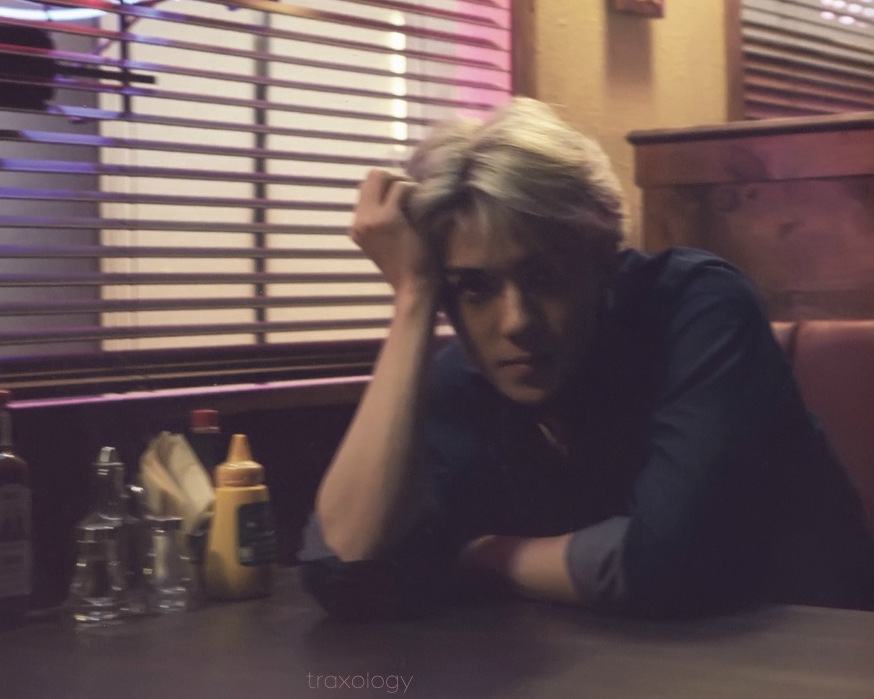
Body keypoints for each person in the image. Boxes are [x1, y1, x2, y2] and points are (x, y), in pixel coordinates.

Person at [299, 98, 874, 619]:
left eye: (545, 277)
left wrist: (479, 556)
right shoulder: (465, 375)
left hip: (822, 653)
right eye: (474, 288)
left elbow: (661, 562)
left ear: (604, 261)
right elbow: (344, 568)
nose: (516, 322)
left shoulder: (699, 307)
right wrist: (414, 297)